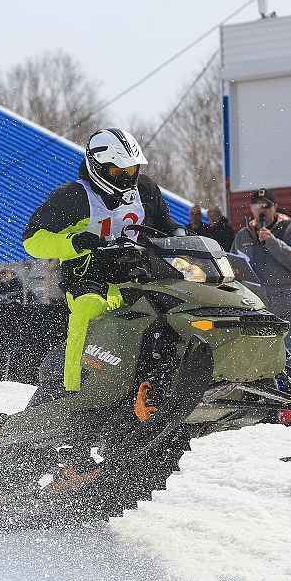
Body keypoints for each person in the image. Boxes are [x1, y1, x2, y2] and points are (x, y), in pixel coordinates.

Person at [22, 127, 181, 392]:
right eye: (119, 172)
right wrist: (74, 243)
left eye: (131, 170)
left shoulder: (146, 189)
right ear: (97, 167)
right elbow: (33, 241)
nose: (127, 178)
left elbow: (166, 225)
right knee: (89, 310)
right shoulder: (72, 196)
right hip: (89, 278)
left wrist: (180, 233)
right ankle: (72, 388)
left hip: (139, 275)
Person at [233, 187, 291, 377]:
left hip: (286, 309)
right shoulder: (242, 235)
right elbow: (233, 264)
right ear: (251, 208)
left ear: (275, 207)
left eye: (266, 206)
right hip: (256, 310)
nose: (262, 209)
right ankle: (268, 406)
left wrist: (273, 241)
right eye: (257, 205)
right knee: (260, 365)